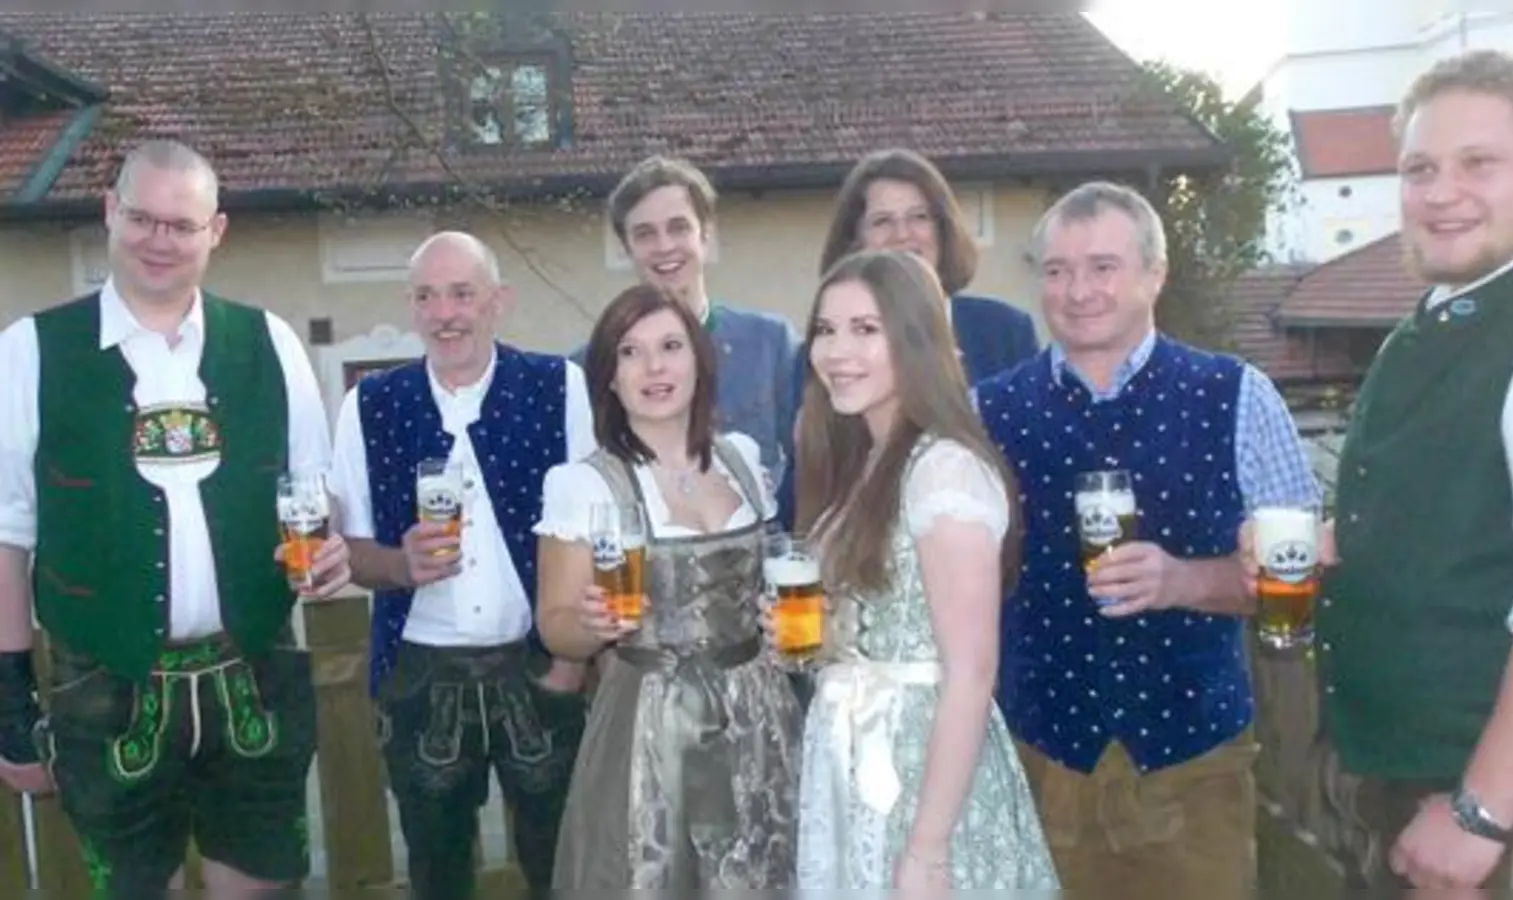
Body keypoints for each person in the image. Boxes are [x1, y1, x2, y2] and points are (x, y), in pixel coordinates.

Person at [1246, 50, 1513, 892]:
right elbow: (1462, 524)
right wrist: (1331, 543)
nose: (1442, 193)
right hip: (1404, 787)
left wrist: (1482, 812)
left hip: (1512, 818)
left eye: (1479, 163)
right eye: (1420, 169)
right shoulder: (1440, 323)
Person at [0, 139, 350, 896]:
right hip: (103, 686)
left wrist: (329, 555)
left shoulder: (270, 343)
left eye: (182, 225)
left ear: (215, 231)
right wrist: (7, 697)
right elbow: (7, 537)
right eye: (142, 218)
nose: (160, 240)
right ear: (110, 213)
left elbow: (312, 501)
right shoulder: (29, 352)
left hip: (253, 672)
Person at [974, 181, 1320, 899]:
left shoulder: (1237, 395)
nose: (1078, 291)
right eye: (1058, 270)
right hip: (1041, 761)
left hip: (1194, 768)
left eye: (1103, 267)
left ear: (1155, 274)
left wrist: (1185, 580)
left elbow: (1299, 575)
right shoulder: (988, 411)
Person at [327, 231, 595, 899]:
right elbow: (349, 549)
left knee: (563, 866)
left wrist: (570, 666)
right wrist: (399, 563)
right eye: (426, 296)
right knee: (436, 872)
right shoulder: (370, 404)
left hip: (538, 661)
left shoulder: (558, 386)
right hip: (419, 673)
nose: (444, 313)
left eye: (461, 294)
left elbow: (597, 529)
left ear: (498, 301)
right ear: (411, 306)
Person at [790, 249, 1058, 890]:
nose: (837, 351)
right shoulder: (862, 462)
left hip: (920, 767)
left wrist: (929, 849)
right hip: (852, 752)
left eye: (865, 329)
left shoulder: (945, 470)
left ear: (915, 341)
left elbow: (972, 671)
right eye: (826, 330)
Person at [537, 283, 803, 888]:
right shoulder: (583, 485)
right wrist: (591, 626)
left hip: (760, 713)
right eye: (630, 352)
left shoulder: (742, 459)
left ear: (698, 360)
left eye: (670, 346)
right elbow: (555, 625)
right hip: (650, 721)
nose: (654, 367)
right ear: (608, 377)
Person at [776, 147, 1039, 527]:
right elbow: (801, 504)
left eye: (919, 217)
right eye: (882, 221)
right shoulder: (824, 357)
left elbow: (1030, 471)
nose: (903, 234)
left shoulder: (1005, 332)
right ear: (855, 241)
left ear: (943, 229)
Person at [574, 155, 801, 493]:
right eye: (645, 234)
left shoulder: (770, 345)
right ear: (626, 249)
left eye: (678, 228)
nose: (664, 246)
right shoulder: (588, 368)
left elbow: (812, 463)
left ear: (705, 235)